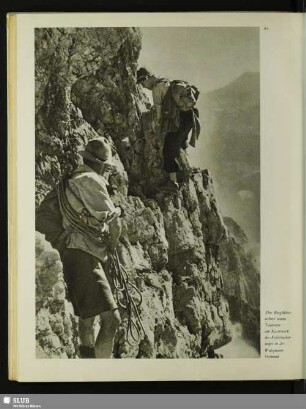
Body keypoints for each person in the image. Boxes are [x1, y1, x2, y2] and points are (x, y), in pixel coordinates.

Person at [61, 137, 122, 358]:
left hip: (72, 253)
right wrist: (113, 245)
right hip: (85, 254)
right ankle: (99, 372)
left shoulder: (72, 179)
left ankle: (86, 366)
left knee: (86, 319)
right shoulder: (91, 179)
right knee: (112, 319)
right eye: (107, 168)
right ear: (101, 165)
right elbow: (113, 221)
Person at [137, 67, 201, 192]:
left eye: (143, 83)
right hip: (190, 117)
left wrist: (155, 127)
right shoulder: (166, 80)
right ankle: (185, 169)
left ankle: (173, 183)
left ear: (147, 79)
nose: (144, 87)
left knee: (169, 147)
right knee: (180, 143)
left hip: (180, 121)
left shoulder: (156, 88)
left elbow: (159, 113)